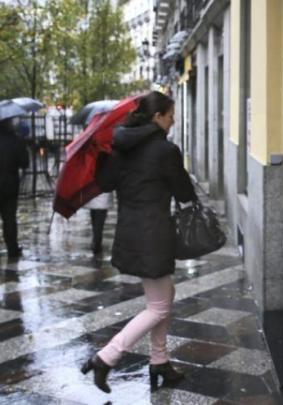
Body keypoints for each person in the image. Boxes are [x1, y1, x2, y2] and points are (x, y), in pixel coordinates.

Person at [80, 91, 196, 393]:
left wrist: (104, 156)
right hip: (153, 235)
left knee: (164, 296)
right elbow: (185, 193)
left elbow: (105, 184)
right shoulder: (165, 151)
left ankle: (160, 360)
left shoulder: (120, 147)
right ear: (157, 117)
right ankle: (106, 357)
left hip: (132, 233)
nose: (172, 122)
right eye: (170, 116)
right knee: (158, 307)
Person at [0, 118, 29, 259]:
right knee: (9, 218)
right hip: (10, 186)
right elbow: (25, 163)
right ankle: (12, 248)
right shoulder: (16, 140)